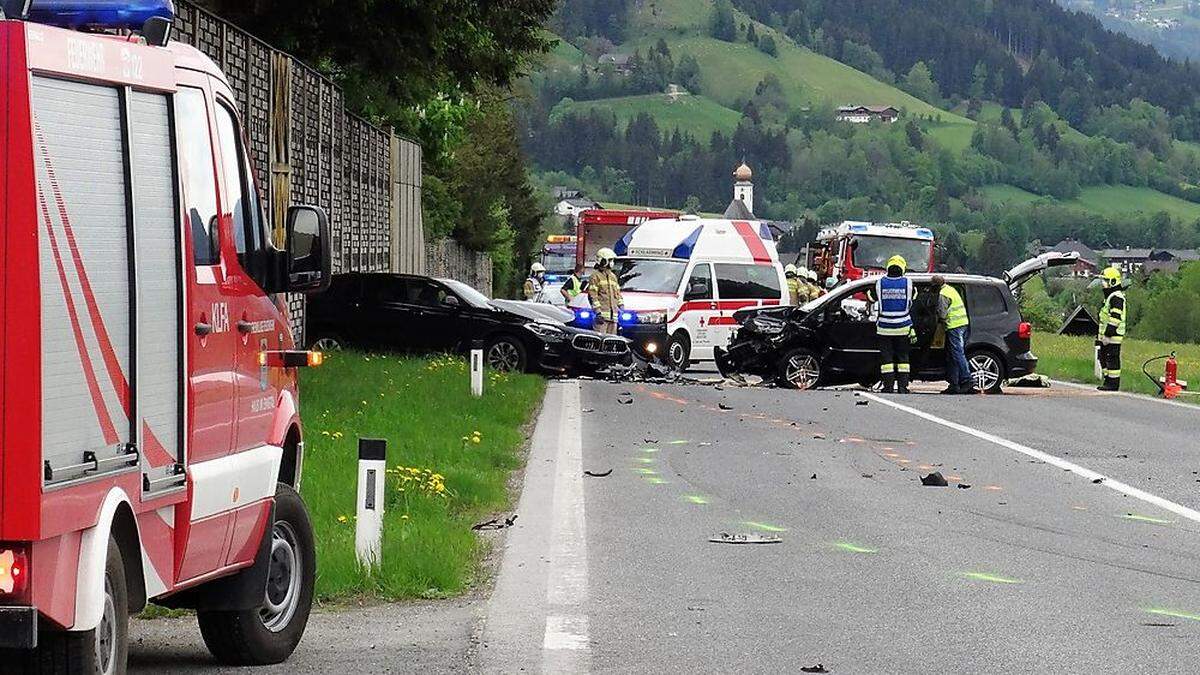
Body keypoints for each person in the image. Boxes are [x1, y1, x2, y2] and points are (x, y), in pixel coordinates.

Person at [871, 255, 915, 394]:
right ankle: (903, 387)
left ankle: (888, 387)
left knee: (887, 359)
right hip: (903, 327)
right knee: (903, 359)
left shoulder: (879, 283)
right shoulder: (908, 283)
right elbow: (913, 298)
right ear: (903, 267)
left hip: (884, 328)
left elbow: (871, 297)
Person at [932, 275, 977, 395]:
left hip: (954, 326)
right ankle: (954, 384)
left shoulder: (943, 294)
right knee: (953, 355)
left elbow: (942, 314)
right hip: (963, 324)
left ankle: (967, 379)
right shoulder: (951, 290)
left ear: (935, 286)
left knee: (957, 354)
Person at [1097, 266, 1126, 391]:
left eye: (1105, 280)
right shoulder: (1110, 296)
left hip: (1113, 336)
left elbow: (1115, 318)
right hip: (1106, 335)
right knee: (1103, 356)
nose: (1103, 284)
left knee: (1112, 358)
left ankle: (1113, 384)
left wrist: (1108, 335)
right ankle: (1107, 380)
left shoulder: (1116, 297)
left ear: (1113, 282)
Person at [588, 248, 623, 335]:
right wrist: (598, 312)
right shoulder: (595, 276)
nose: (612, 262)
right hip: (602, 318)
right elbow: (593, 296)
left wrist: (621, 307)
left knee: (611, 342)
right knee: (600, 341)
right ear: (604, 261)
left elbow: (618, 294)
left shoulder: (613, 277)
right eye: (610, 260)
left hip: (613, 317)